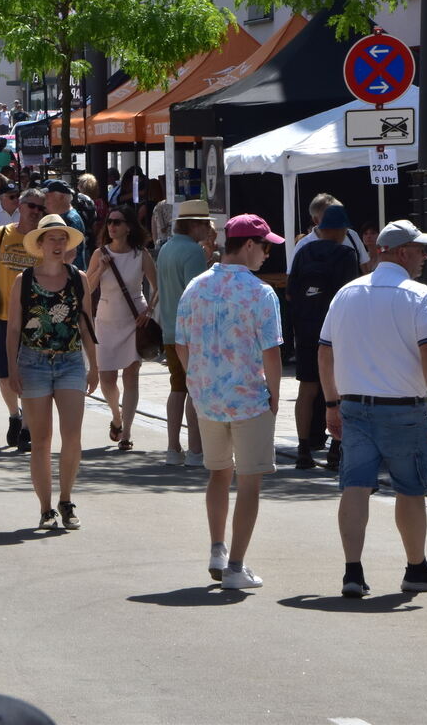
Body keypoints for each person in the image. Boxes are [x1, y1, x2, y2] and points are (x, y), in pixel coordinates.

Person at [319, 219, 427, 597]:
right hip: (402, 409)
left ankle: (352, 571)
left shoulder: (347, 292)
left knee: (355, 487)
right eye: (419, 249)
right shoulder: (418, 295)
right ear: (402, 252)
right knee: (410, 489)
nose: (424, 256)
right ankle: (416, 568)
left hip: (355, 407)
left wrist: (332, 403)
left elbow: (324, 351)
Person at [176, 214, 283, 590]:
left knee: (218, 473)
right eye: (265, 246)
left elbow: (180, 341)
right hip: (249, 398)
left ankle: (218, 549)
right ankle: (236, 567)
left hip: (208, 398)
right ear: (249, 245)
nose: (268, 254)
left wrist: (198, 379)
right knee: (249, 482)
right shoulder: (260, 292)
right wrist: (275, 395)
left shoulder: (196, 286)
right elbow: (271, 352)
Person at [5, 214, 99, 530]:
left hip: (71, 360)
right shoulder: (24, 281)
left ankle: (66, 498)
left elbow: (87, 325)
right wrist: (11, 368)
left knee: (72, 436)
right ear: (41, 244)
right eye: (52, 239)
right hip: (32, 362)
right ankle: (46, 508)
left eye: (62, 239)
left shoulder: (78, 278)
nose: (58, 245)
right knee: (42, 440)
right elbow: (14, 328)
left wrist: (94, 364)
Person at [0, 188, 46, 452]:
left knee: (28, 376)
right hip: (5, 316)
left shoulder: (45, 240)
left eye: (40, 208)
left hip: (36, 319)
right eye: (31, 206)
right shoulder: (2, 234)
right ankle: (14, 416)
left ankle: (26, 427)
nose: (36, 212)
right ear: (21, 207)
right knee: (4, 376)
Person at [287, 204, 359, 470]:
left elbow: (291, 293)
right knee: (340, 390)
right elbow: (350, 296)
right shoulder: (346, 255)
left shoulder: (303, 251)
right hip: (336, 332)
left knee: (307, 389)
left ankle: (303, 450)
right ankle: (336, 450)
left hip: (306, 330)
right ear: (340, 230)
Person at [86, 204, 158, 451]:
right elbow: (87, 287)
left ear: (128, 227)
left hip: (134, 319)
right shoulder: (100, 254)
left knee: (131, 377)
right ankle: (116, 416)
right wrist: (101, 268)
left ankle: (126, 432)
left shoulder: (141, 254)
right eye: (109, 222)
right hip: (106, 320)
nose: (112, 226)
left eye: (117, 222)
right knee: (107, 379)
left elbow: (156, 287)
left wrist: (148, 312)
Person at [155, 200, 213, 467]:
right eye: (205, 223)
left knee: (177, 387)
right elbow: (199, 294)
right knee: (193, 389)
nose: (209, 228)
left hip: (169, 327)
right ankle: (195, 450)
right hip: (190, 331)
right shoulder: (193, 251)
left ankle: (172, 447)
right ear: (195, 224)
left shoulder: (166, 248)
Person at [292, 193, 371, 273]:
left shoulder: (352, 235)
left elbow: (365, 268)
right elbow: (292, 277)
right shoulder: (303, 245)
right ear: (315, 220)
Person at [42, 180, 87, 269]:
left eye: (47, 196)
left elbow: (70, 255)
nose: (44, 200)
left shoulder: (69, 219)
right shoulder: (66, 217)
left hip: (70, 277)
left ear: (61, 197)